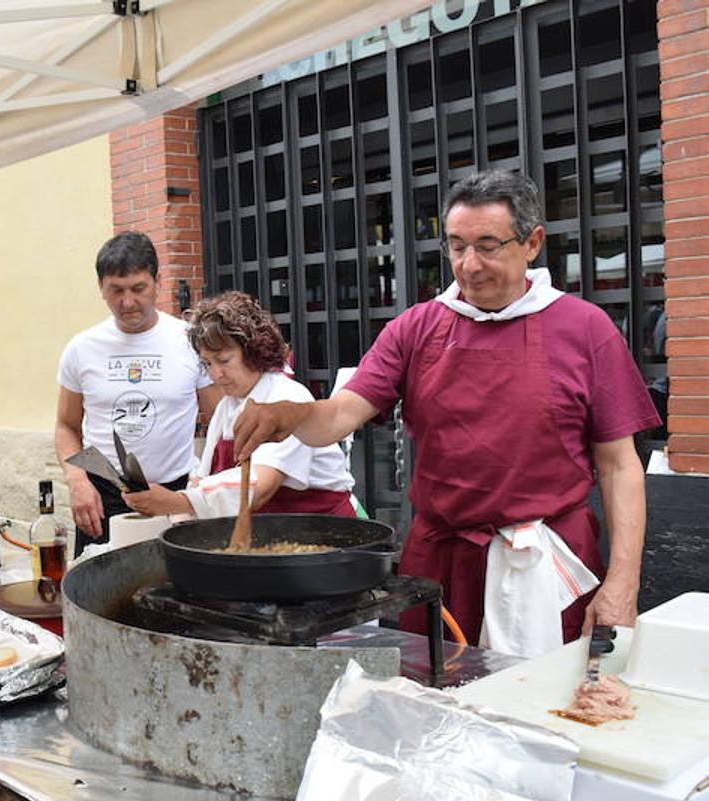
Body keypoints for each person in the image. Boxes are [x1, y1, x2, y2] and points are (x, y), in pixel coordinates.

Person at [233, 170, 660, 657]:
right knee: (434, 701)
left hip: (543, 562)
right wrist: (288, 414)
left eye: (487, 245)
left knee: (549, 707)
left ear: (532, 243)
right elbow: (337, 417)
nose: (469, 264)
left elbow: (620, 465)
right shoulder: (416, 328)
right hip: (438, 561)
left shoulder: (585, 328)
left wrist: (623, 582)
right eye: (456, 246)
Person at [122, 291, 355, 519]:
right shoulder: (227, 407)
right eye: (207, 364)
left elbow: (261, 485)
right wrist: (177, 517)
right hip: (270, 535)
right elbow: (201, 479)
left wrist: (176, 502)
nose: (216, 374)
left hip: (322, 532)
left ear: (254, 350)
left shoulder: (288, 397)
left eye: (223, 361)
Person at [56, 231, 220, 554]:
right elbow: (66, 426)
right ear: (100, 287)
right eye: (116, 290)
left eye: (138, 288)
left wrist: (206, 483)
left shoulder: (190, 341)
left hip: (175, 493)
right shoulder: (81, 348)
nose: (128, 302)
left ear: (158, 282)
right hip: (102, 494)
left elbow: (220, 420)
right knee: (98, 596)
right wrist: (77, 481)